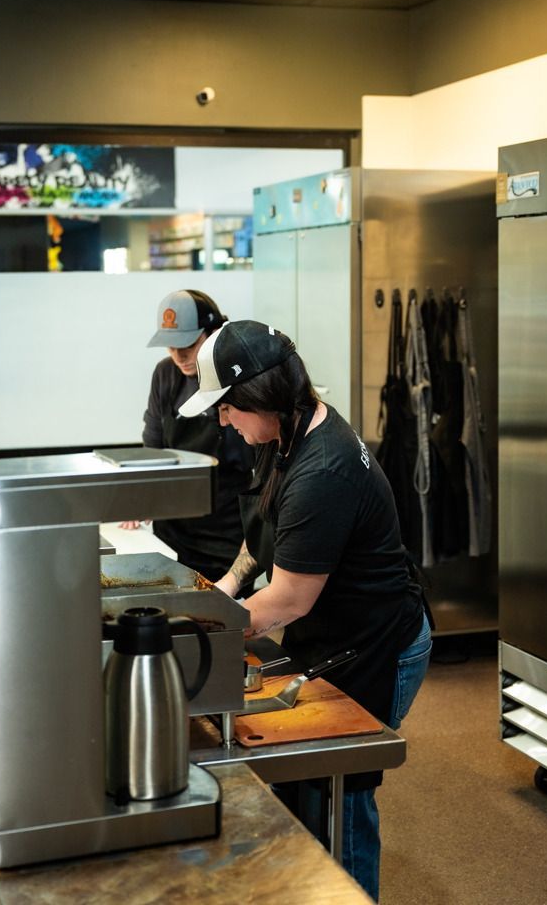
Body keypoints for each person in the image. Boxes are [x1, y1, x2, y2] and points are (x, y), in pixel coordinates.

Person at [179, 319, 431, 902]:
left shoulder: (324, 470)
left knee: (340, 794)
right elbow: (265, 530)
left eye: (225, 407)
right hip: (332, 632)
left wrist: (202, 634)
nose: (221, 420)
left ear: (258, 396)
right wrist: (226, 587)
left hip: (378, 643)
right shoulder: (284, 434)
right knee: (308, 790)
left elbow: (288, 600)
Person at [120, 290, 254, 581]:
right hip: (172, 531)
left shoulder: (239, 379)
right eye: (171, 346)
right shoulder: (165, 375)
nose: (179, 356)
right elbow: (153, 446)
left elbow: (262, 464)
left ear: (214, 333)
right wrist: (139, 496)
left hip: (225, 533)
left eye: (189, 345)